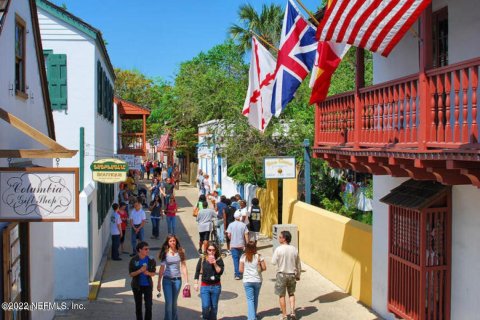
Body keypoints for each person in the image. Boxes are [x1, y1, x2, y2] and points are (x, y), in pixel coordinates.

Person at [157, 235, 189, 320]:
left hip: (177, 280)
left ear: (176, 241)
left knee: (174, 303)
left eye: (174, 240)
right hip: (167, 280)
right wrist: (159, 282)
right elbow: (162, 268)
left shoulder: (181, 251)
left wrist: (187, 282)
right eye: (170, 241)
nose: (172, 242)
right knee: (169, 303)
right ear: (168, 242)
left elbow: (184, 266)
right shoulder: (165, 253)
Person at [271, 231, 302, 320]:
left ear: (284, 238)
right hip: (292, 274)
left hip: (281, 274)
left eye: (280, 237)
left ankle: (284, 315)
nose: (279, 238)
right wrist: (298, 275)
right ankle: (292, 312)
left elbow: (273, 262)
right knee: (291, 293)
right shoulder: (294, 249)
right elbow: (298, 264)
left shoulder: (279, 249)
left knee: (282, 295)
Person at [194, 242, 224, 320]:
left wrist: (214, 263)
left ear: (216, 250)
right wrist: (195, 283)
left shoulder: (218, 259)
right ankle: (205, 318)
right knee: (205, 306)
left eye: (213, 250)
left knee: (214, 307)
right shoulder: (203, 259)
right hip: (205, 286)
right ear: (206, 250)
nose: (211, 252)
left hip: (216, 286)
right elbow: (197, 271)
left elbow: (220, 272)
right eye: (209, 250)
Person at [129, 241, 156, 320]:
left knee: (148, 306)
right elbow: (131, 274)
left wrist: (148, 273)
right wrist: (140, 271)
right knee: (138, 306)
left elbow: (153, 273)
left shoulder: (151, 260)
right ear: (140, 250)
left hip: (148, 286)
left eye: (148, 249)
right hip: (137, 286)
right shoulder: (134, 260)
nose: (148, 251)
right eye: (145, 249)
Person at [240, 241, 266, 320]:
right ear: (255, 247)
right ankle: (253, 314)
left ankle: (251, 318)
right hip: (257, 280)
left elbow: (240, 270)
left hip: (247, 280)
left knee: (250, 299)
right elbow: (264, 268)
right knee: (255, 298)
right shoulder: (259, 256)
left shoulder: (243, 256)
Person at [226, 210, 249, 280]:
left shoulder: (230, 225)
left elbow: (228, 235)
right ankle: (242, 272)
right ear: (240, 217)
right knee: (241, 259)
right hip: (241, 245)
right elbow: (246, 235)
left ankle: (237, 274)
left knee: (235, 260)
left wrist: (232, 238)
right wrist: (247, 244)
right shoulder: (243, 225)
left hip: (233, 245)